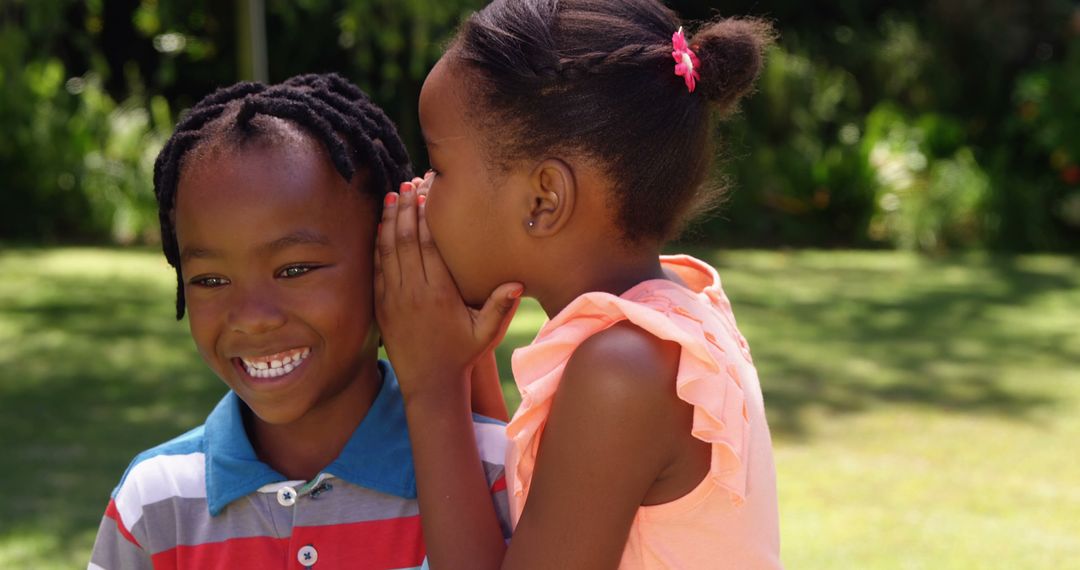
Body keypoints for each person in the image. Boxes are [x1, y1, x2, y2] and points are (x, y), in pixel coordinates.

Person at [375, 0, 781, 568]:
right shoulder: (674, 313)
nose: (418, 190)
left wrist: (433, 387)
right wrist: (464, 361)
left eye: (438, 166)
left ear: (543, 199)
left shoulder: (623, 371)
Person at [88, 73, 511, 570]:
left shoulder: (496, 473)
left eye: (294, 269)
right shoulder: (155, 504)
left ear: (387, 259)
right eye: (209, 280)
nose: (252, 319)